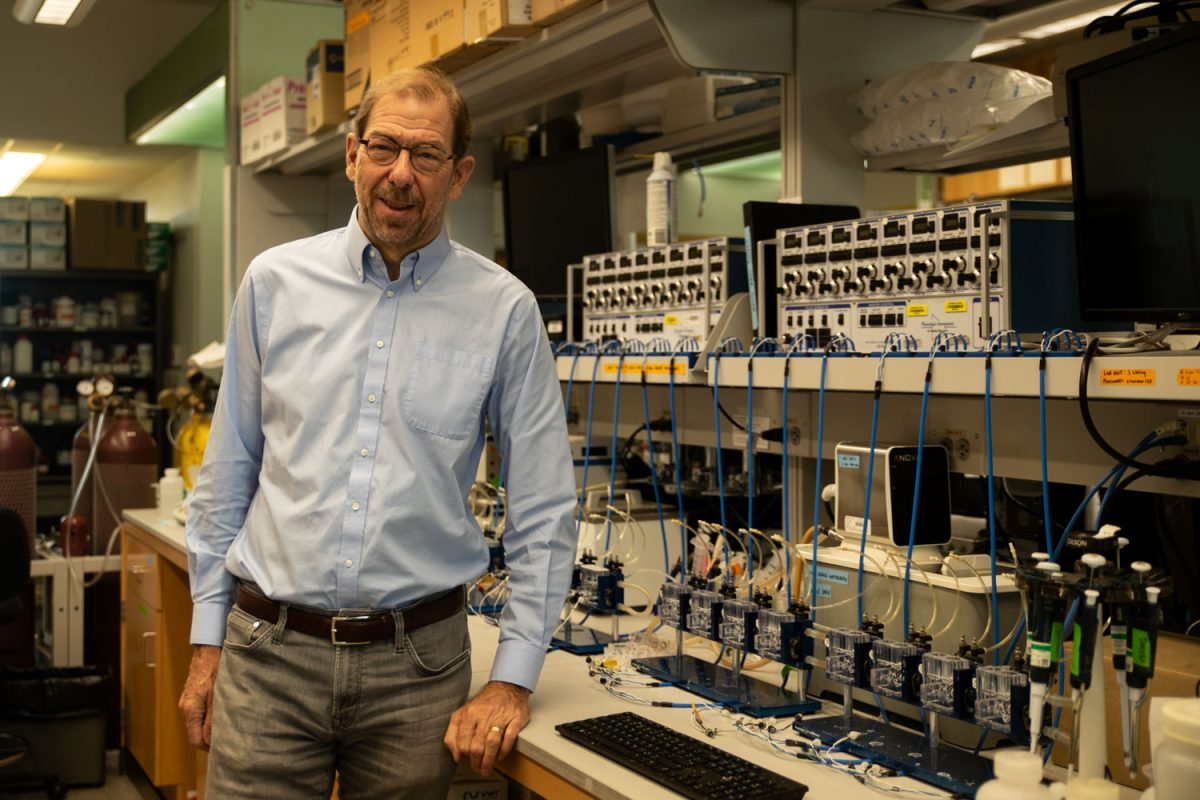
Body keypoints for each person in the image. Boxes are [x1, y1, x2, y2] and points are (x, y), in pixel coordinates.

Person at [178, 65, 578, 799]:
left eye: (425, 156)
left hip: (419, 673)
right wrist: (207, 643)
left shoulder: (504, 310)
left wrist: (511, 682)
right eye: (384, 148)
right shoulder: (273, 283)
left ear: (458, 175)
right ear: (352, 154)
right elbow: (229, 469)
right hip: (268, 657)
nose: (401, 174)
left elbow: (546, 510)